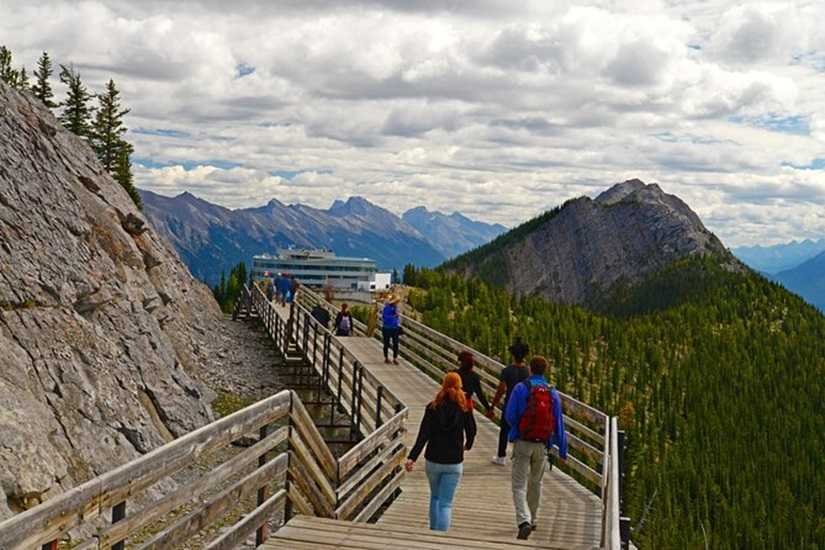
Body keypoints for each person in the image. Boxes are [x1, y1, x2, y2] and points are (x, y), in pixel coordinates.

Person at [504, 356, 567, 541]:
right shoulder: (552, 393)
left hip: (523, 442)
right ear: (545, 370)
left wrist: (517, 429)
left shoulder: (521, 388)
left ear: (530, 369)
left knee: (518, 485)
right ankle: (533, 518)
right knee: (535, 483)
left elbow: (509, 415)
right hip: (542, 445)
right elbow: (558, 423)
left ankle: (524, 521)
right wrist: (562, 449)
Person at [405, 372, 476, 532]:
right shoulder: (465, 408)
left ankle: (432, 533)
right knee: (446, 503)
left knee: (435, 497)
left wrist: (412, 457)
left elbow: (423, 435)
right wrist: (468, 444)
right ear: (459, 386)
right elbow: (472, 430)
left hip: (433, 460)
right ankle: (441, 539)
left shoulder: (432, 407)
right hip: (454, 461)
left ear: (443, 385)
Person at [488, 338, 531, 465]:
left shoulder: (507, 370)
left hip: (509, 404)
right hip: (524, 405)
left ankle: (501, 456)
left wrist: (492, 405)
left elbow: (501, 390)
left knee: (504, 430)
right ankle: (521, 457)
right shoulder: (528, 371)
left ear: (512, 355)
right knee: (522, 431)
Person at [382, 295, 401, 364]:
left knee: (396, 344)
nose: (397, 303)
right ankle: (386, 358)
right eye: (396, 302)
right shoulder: (386, 308)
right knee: (386, 344)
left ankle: (395, 358)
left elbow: (398, 317)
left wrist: (396, 315)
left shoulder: (396, 308)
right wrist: (394, 316)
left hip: (395, 328)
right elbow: (385, 318)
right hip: (387, 328)